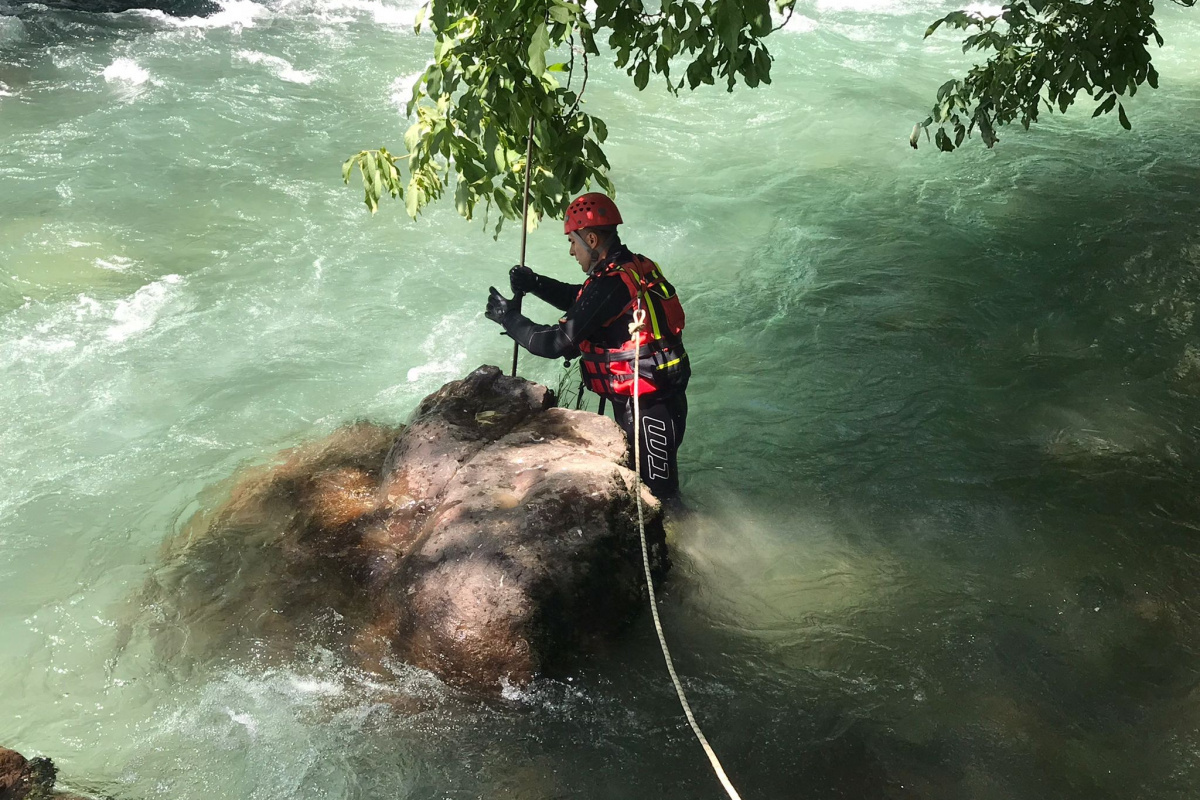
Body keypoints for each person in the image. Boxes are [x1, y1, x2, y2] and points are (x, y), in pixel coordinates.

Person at [484, 193, 691, 499]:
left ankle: (679, 542)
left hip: (647, 407)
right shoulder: (628, 266)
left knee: (661, 495)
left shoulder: (612, 284)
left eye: (573, 242)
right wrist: (535, 283)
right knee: (649, 488)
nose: (571, 251)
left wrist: (509, 318)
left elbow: (555, 343)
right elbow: (584, 300)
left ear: (591, 239)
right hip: (655, 395)